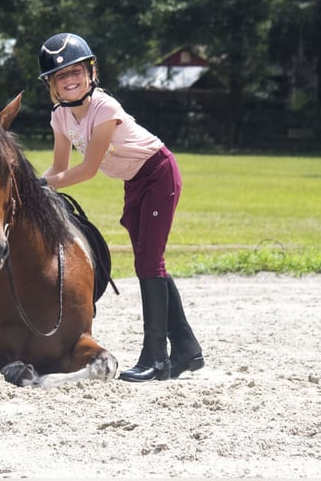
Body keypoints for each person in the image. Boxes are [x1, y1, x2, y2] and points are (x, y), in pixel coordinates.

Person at [37, 32, 204, 382]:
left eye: (76, 71)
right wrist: (35, 184)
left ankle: (156, 358)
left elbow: (86, 170)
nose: (70, 79)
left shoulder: (104, 108)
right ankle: (187, 349)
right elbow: (59, 168)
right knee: (150, 262)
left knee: (148, 262)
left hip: (158, 173)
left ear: (90, 72)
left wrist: (43, 184)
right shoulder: (60, 117)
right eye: (61, 75)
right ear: (52, 84)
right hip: (135, 182)